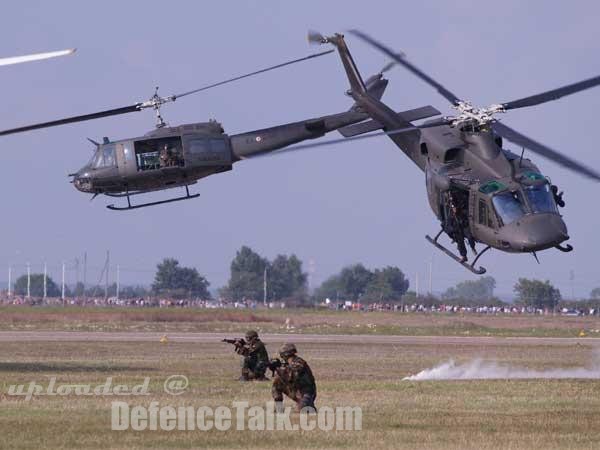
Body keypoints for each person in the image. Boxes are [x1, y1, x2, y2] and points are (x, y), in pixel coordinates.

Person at [271, 343, 317, 412]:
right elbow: (283, 378)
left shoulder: (299, 362)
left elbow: (291, 376)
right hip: (295, 390)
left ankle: (309, 405)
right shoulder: (286, 364)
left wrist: (279, 368)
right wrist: (275, 368)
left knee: (304, 410)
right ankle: (279, 407)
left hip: (305, 392)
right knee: (277, 383)